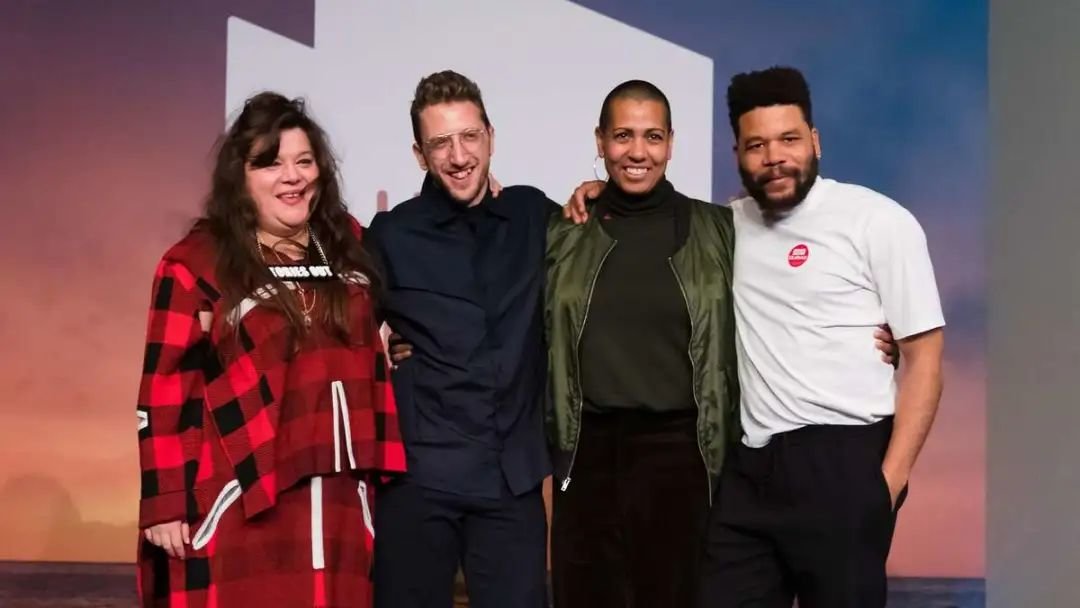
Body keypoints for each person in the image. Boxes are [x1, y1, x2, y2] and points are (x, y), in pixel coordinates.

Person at [135, 92, 405, 608]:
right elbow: (165, 387)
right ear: (240, 175)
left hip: (342, 500)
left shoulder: (347, 244)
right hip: (244, 495)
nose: (292, 177)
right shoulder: (196, 263)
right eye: (272, 163)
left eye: (304, 161)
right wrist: (165, 502)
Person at [694, 66, 946, 608]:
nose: (774, 157)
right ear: (738, 154)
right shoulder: (723, 228)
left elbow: (925, 359)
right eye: (757, 145)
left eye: (789, 139)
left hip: (844, 462)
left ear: (815, 140)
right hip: (748, 468)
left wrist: (886, 486)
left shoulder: (877, 220)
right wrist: (597, 195)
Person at [364, 70, 556, 608]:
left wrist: (594, 190)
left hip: (512, 481)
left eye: (469, 136)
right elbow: (337, 329)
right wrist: (379, 353)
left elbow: (600, 238)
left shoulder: (533, 215)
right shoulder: (391, 234)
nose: (458, 156)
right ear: (419, 155)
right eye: (440, 143)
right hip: (420, 479)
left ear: (490, 137)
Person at [544, 80, 737, 608]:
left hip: (682, 455)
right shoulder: (562, 231)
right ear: (601, 140)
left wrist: (874, 330)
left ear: (671, 143)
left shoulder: (719, 230)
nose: (637, 152)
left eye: (652, 136)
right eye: (623, 135)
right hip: (586, 454)